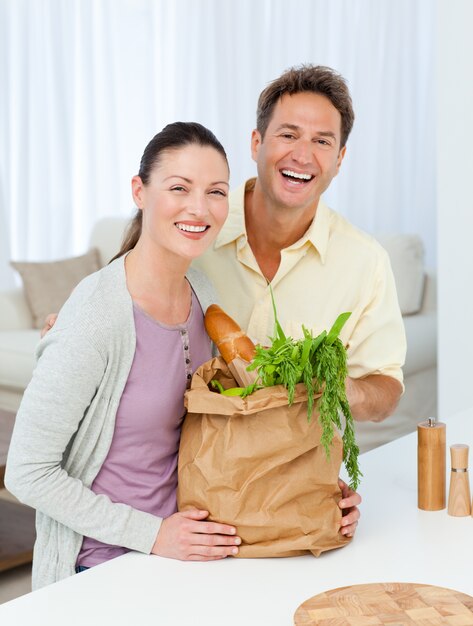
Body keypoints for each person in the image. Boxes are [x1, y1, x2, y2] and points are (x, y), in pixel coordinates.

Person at [5, 122, 242, 590]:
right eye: (179, 188)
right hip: (101, 568)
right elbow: (27, 472)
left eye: (216, 191)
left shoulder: (203, 292)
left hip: (184, 552)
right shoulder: (95, 318)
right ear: (140, 191)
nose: (199, 207)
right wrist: (154, 535)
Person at [194, 64, 406, 424]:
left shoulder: (365, 262)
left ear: (339, 160)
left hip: (298, 469)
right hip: (197, 466)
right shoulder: (195, 226)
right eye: (289, 135)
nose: (303, 156)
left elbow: (386, 389)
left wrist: (343, 388)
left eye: (322, 141)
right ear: (256, 143)